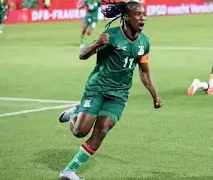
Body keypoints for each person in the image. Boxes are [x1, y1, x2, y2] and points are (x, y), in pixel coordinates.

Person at [58, 1, 162, 180]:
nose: (143, 18)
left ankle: (68, 171)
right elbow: (82, 55)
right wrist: (96, 43)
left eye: (144, 14)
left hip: (119, 95)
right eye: (138, 15)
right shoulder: (110, 35)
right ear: (126, 17)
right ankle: (77, 110)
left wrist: (155, 96)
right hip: (97, 88)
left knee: (101, 131)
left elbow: (144, 73)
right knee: (80, 132)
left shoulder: (145, 42)